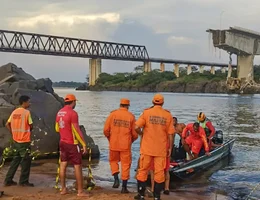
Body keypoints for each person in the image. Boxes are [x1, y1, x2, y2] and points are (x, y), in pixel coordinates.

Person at [135, 94, 175, 200]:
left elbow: (136, 127)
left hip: (147, 148)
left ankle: (141, 194)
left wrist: (141, 133)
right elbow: (170, 134)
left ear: (153, 102)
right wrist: (170, 148)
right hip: (161, 149)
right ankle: (157, 197)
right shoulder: (167, 115)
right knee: (159, 173)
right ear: (162, 103)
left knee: (143, 170)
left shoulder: (146, 113)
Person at [55, 94, 89, 197]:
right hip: (72, 143)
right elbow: (77, 130)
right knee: (77, 166)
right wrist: (83, 144)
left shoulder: (59, 112)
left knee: (63, 164)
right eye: (75, 102)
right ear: (73, 102)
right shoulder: (73, 113)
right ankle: (80, 191)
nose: (75, 104)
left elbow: (57, 128)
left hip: (62, 142)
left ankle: (63, 189)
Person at [103, 98, 138, 193]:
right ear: (128, 106)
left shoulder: (112, 115)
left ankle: (116, 179)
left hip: (113, 143)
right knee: (126, 165)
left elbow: (106, 130)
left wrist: (110, 139)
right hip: (125, 145)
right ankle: (124, 187)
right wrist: (131, 141)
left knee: (113, 161)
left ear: (120, 105)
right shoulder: (131, 116)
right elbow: (135, 134)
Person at [4, 95, 34, 187]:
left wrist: (13, 133)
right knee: (26, 161)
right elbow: (31, 125)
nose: (29, 103)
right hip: (24, 140)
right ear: (24, 102)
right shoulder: (26, 113)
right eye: (28, 101)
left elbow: (7, 124)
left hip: (16, 140)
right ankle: (24, 181)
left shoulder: (14, 112)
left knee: (16, 160)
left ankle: (8, 179)